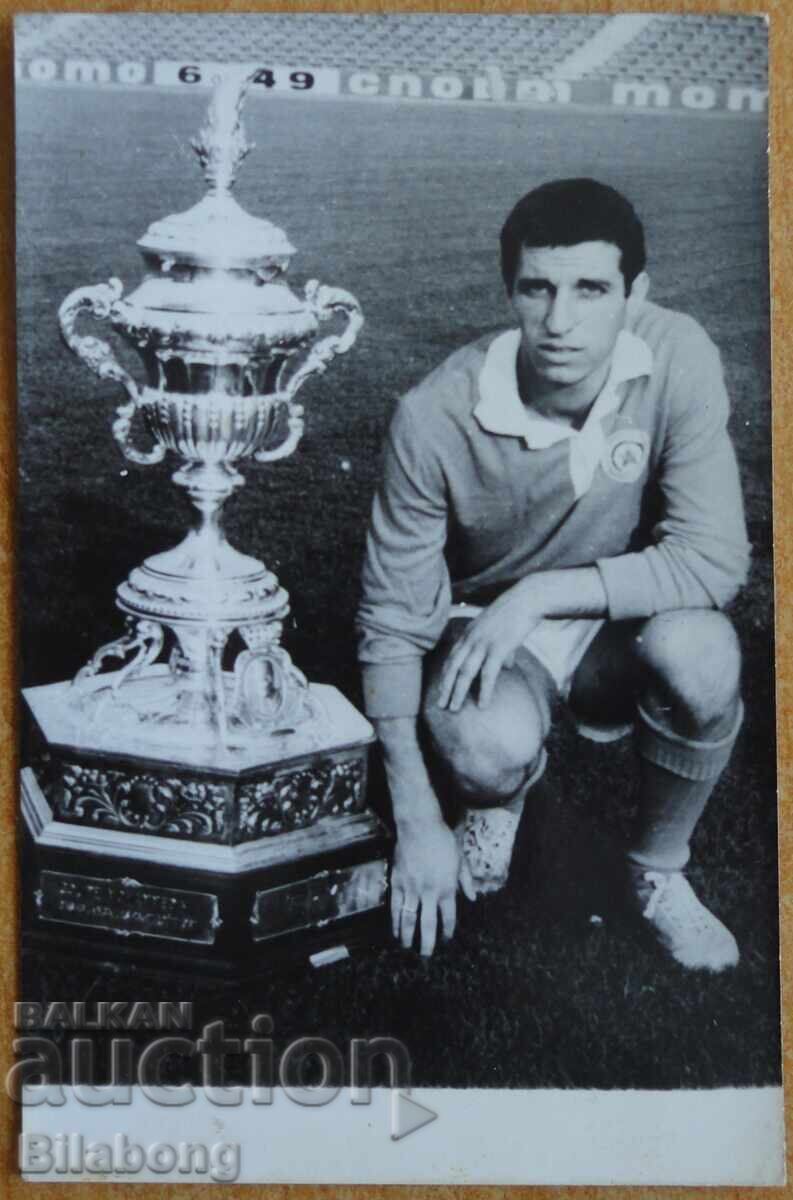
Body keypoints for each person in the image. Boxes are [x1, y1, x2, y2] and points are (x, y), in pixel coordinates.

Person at [356, 178, 750, 971]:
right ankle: (495, 800)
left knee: (703, 654)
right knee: (479, 745)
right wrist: (419, 820)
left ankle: (657, 869)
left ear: (634, 293)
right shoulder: (433, 415)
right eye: (536, 289)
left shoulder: (675, 353)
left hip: (618, 617)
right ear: (510, 290)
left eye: (590, 290)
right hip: (492, 633)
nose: (559, 321)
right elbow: (391, 621)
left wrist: (541, 592)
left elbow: (713, 558)